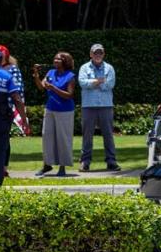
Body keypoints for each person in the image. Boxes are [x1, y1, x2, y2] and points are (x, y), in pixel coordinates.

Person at [33, 52, 76, 177]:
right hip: (50, 109)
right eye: (55, 58)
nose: (55, 60)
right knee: (47, 136)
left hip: (65, 111)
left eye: (59, 59)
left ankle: (62, 166)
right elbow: (41, 87)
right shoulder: (50, 73)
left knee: (63, 138)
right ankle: (47, 164)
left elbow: (69, 95)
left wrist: (53, 88)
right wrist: (36, 74)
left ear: (65, 61)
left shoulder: (70, 76)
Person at [77, 44, 119, 172]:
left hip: (106, 106)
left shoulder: (109, 68)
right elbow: (82, 83)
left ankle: (111, 161)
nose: (98, 55)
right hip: (88, 106)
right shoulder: (84, 68)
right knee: (87, 135)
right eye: (95, 53)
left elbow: (110, 84)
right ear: (91, 54)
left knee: (108, 135)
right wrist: (99, 81)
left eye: (100, 53)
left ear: (103, 54)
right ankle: (85, 162)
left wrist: (94, 83)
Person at [0, 46, 29, 187]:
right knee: (0, 149)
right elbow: (17, 98)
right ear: (1, 60)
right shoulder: (6, 76)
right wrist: (24, 119)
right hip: (1, 116)